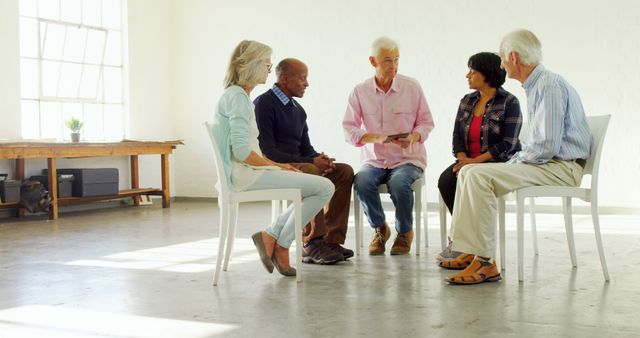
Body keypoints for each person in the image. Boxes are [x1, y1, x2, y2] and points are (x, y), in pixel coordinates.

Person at [440, 29, 593, 284]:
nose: (501, 65)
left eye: (502, 58)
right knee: (469, 172)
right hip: (549, 164)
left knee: (476, 176)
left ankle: (485, 262)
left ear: (512, 57)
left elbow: (545, 145)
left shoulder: (548, 85)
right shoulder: (537, 85)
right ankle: (472, 253)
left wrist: (516, 159)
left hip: (561, 167)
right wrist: (517, 159)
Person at [211, 40, 335, 277]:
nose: (270, 70)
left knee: (318, 186)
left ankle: (272, 236)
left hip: (245, 172)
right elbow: (241, 152)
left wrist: (279, 167)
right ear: (252, 65)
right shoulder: (238, 97)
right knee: (324, 188)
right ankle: (281, 241)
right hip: (243, 175)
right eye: (267, 64)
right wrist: (278, 166)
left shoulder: (238, 96)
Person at [254, 58, 355, 265]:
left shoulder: (298, 110)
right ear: (284, 79)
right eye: (303, 78)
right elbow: (268, 152)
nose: (307, 83)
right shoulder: (263, 104)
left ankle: (331, 240)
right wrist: (311, 161)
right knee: (310, 169)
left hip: (299, 163)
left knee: (344, 171)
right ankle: (311, 242)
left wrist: (321, 159)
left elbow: (305, 148)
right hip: (277, 166)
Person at [343, 37, 435, 255]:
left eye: (396, 60)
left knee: (399, 183)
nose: (393, 66)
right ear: (372, 61)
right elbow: (349, 129)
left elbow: (426, 122)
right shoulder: (360, 91)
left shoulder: (411, 87)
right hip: (374, 159)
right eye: (387, 61)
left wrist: (413, 136)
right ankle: (379, 228)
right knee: (362, 182)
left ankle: (404, 232)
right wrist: (374, 138)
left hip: (407, 159)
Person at [436, 52, 523, 269]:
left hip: (497, 162)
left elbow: (508, 144)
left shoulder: (509, 102)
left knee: (466, 178)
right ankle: (464, 241)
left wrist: (476, 162)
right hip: (469, 161)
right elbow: (457, 136)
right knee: (447, 181)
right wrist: (463, 158)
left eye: (473, 71)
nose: (468, 75)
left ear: (487, 75)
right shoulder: (467, 101)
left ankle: (469, 245)